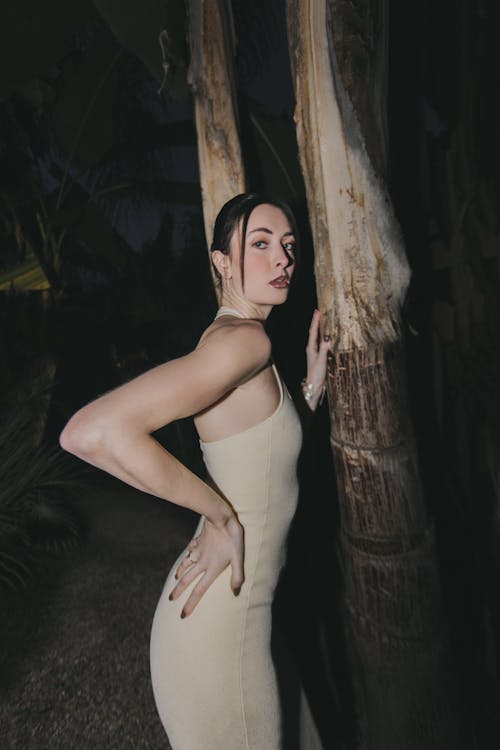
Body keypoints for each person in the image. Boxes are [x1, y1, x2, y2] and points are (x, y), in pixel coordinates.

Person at [59, 193, 329, 749]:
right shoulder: (246, 342)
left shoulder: (239, 342)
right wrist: (218, 512)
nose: (282, 259)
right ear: (221, 263)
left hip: (236, 624)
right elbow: (91, 432)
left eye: (288, 246)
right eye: (260, 244)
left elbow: (253, 448)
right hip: (223, 640)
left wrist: (307, 390)